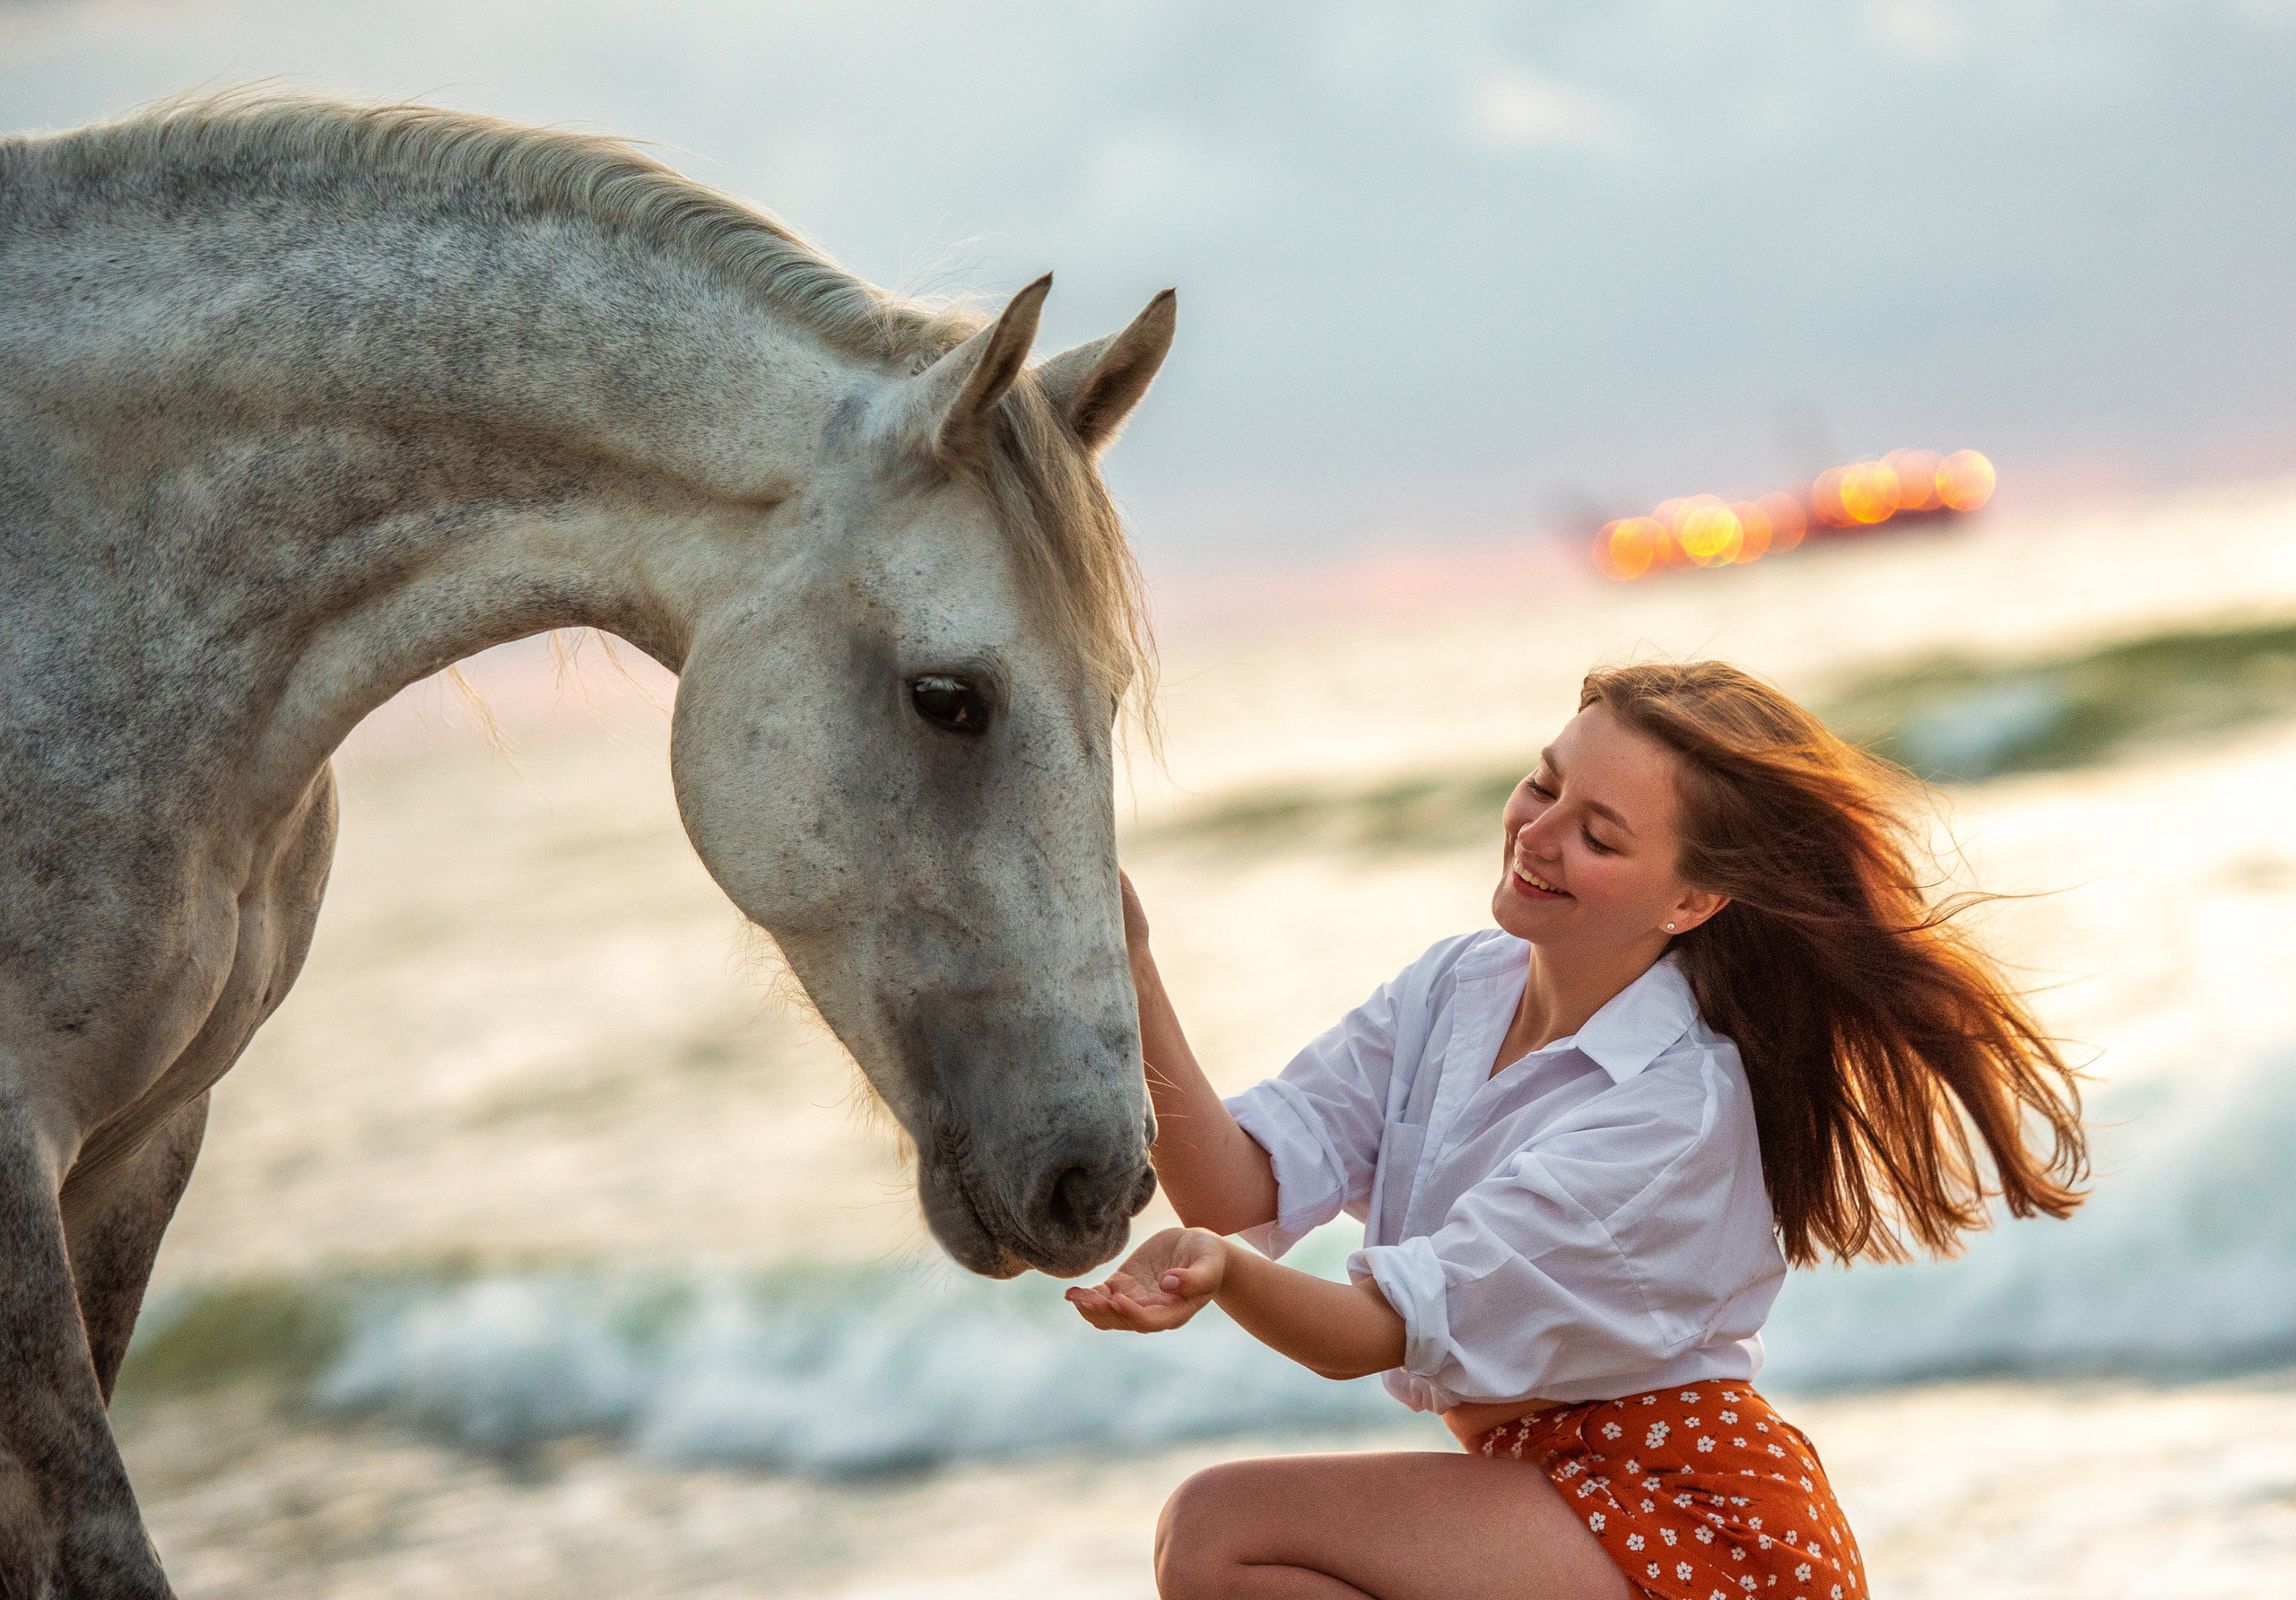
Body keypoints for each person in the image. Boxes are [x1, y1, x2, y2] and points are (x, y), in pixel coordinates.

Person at [1067, 660, 2089, 1600]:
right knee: (1217, 1539)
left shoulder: (1672, 1109)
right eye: (1542, 784)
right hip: (1558, 1496)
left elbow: (1375, 1332)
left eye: (1599, 834)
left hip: (1698, 1518)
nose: (1538, 832)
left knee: (1221, 1530)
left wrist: (1226, 1274)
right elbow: (1232, 1183)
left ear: (1691, 898)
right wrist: (1131, 963)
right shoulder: (1454, 985)